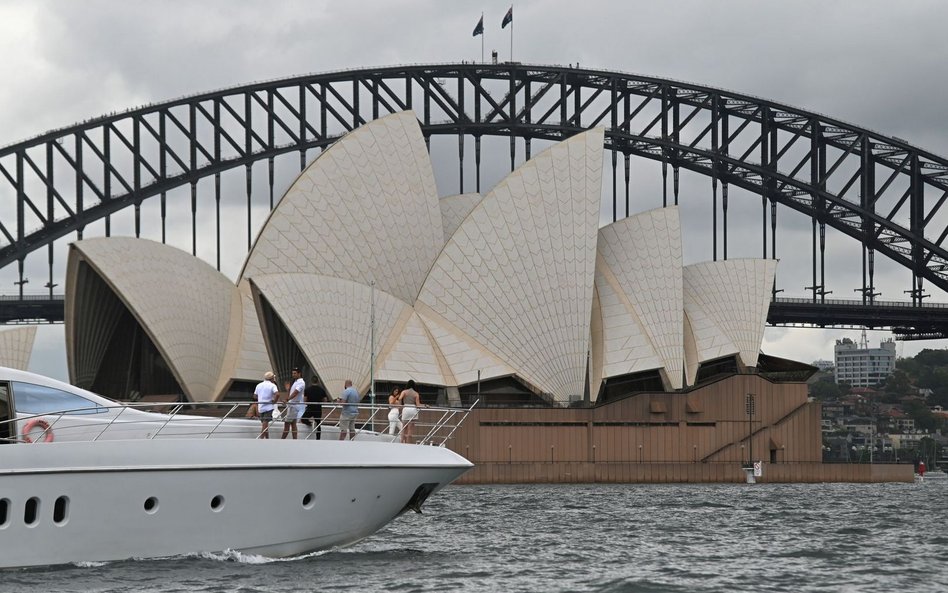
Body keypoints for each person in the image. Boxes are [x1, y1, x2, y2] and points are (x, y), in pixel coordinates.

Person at [281, 368, 306, 440]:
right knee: (293, 423)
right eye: (292, 373)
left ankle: (282, 440)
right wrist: (288, 389)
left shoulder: (301, 382)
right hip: (292, 405)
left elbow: (296, 392)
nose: (293, 375)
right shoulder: (296, 382)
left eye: (295, 373)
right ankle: (295, 439)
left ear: (299, 373)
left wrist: (287, 399)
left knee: (287, 423)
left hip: (294, 406)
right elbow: (292, 393)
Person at [399, 379, 427, 444]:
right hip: (413, 409)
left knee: (403, 427)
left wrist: (400, 406)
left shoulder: (404, 392)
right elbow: (418, 405)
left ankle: (402, 442)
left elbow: (400, 398)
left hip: (406, 409)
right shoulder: (416, 393)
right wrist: (425, 405)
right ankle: (408, 443)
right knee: (410, 429)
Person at [254, 371, 279, 439]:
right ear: (271, 378)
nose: (274, 379)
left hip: (261, 407)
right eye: (273, 377)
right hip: (268, 406)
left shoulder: (259, 385)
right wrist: (274, 401)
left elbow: (255, 396)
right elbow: (277, 394)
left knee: (264, 424)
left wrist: (261, 398)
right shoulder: (272, 385)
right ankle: (262, 438)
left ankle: (267, 438)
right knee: (265, 423)